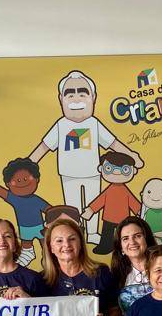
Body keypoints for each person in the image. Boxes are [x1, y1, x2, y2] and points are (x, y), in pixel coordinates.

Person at [28, 70, 144, 244]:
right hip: (68, 174)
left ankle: (92, 232)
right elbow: (44, 147)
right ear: (61, 99)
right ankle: (76, 234)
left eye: (82, 93)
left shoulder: (94, 124)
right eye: (70, 94)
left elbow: (113, 143)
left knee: (93, 203)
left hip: (92, 172)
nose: (76, 99)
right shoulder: (61, 125)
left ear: (93, 97)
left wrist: (132, 155)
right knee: (73, 207)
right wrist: (27, 165)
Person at [0, 158, 50, 267]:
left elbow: (49, 210)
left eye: (26, 178)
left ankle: (49, 263)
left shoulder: (36, 200)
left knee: (46, 247)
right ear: (8, 184)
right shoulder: (15, 198)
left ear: (37, 179)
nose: (23, 182)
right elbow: (2, 192)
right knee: (27, 248)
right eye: (18, 180)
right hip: (25, 228)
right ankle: (28, 255)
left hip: (40, 227)